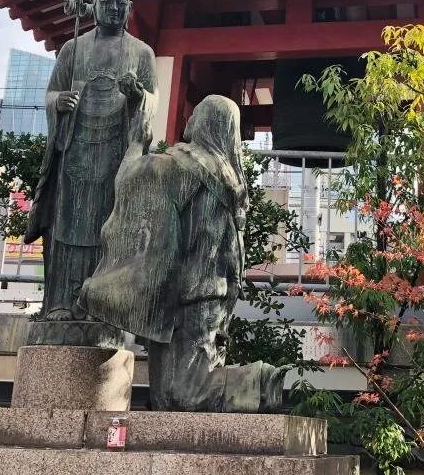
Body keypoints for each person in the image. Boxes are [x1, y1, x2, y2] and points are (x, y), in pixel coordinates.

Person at [78, 95, 288, 412]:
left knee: (181, 394)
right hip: (216, 296)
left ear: (203, 123)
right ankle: (255, 387)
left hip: (187, 296)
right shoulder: (232, 176)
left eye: (194, 115)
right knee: (172, 396)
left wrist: (136, 145)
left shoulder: (187, 166)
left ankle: (260, 382)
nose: (187, 121)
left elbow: (134, 177)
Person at [24, 0, 157, 323]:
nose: (114, 8)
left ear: (130, 9)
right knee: (66, 227)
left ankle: (100, 302)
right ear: (93, 5)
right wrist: (60, 103)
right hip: (76, 151)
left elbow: (152, 101)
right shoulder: (73, 49)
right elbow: (52, 93)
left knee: (108, 228)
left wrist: (138, 95)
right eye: (107, 1)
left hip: (115, 152)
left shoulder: (142, 52)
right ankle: (61, 300)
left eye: (121, 3)